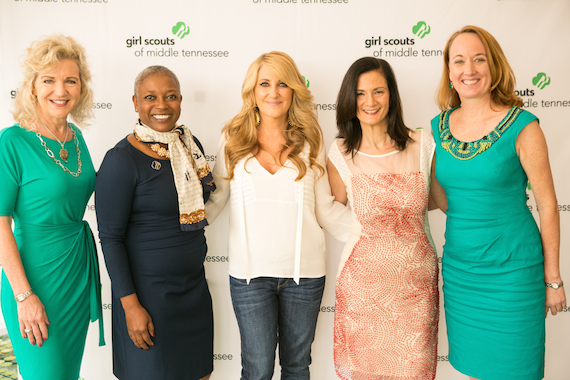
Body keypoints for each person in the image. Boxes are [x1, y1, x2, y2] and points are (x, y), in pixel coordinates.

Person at [430, 25, 566, 380]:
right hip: (462, 273)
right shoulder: (435, 129)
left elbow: (548, 205)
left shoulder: (524, 127)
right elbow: (444, 200)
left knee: (515, 370)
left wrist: (553, 279)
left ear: (494, 66)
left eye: (479, 59)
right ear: (448, 71)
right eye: (458, 61)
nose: (469, 69)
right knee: (475, 370)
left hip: (514, 273)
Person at [205, 51, 350, 380]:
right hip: (249, 279)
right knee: (256, 370)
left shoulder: (311, 139)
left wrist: (369, 233)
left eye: (282, 83)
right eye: (265, 84)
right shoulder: (233, 139)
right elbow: (215, 201)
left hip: (306, 277)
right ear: (252, 92)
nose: (273, 92)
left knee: (297, 368)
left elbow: (325, 207)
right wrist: (173, 227)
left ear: (294, 90)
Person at [95, 66, 215, 380]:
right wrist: (130, 307)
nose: (161, 105)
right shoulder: (121, 159)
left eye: (170, 96)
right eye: (150, 97)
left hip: (193, 293)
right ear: (135, 103)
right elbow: (110, 238)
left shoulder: (189, 146)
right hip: (147, 300)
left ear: (180, 101)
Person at [327, 57, 439, 380]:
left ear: (391, 95)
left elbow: (439, 201)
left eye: (378, 91)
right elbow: (333, 210)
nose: (370, 101)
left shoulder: (423, 143)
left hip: (416, 295)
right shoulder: (340, 154)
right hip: (362, 293)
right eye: (360, 94)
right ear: (350, 99)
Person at [0, 35, 104, 379]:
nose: (60, 90)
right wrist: (24, 296)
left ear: (81, 88)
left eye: (69, 80)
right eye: (49, 80)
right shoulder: (12, 142)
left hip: (75, 271)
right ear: (32, 86)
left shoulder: (76, 136)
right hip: (35, 278)